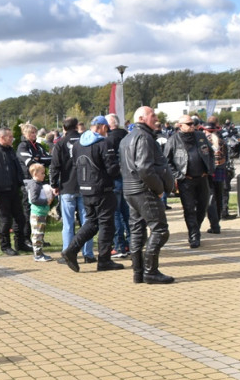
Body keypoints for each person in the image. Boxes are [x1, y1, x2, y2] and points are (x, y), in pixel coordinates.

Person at [119, 106, 176, 284]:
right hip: (143, 190)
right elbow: (144, 167)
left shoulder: (127, 138)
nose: (156, 118)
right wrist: (159, 188)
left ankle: (139, 272)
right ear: (142, 118)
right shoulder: (143, 137)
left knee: (137, 231)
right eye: (152, 115)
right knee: (160, 230)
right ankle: (150, 271)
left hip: (130, 189)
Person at [61, 116, 124, 273]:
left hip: (85, 190)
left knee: (92, 223)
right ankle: (104, 260)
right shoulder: (103, 143)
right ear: (102, 127)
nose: (108, 131)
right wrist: (121, 168)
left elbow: (76, 165)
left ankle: (71, 249)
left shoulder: (77, 145)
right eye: (106, 128)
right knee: (106, 225)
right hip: (103, 190)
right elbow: (111, 169)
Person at [164, 115, 214, 248]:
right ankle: (194, 235)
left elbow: (210, 153)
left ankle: (195, 229)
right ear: (180, 126)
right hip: (186, 180)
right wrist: (179, 175)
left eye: (193, 123)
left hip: (202, 178)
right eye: (189, 124)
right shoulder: (173, 140)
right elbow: (167, 161)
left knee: (203, 207)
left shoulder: (200, 136)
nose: (192, 126)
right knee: (189, 209)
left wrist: (209, 169)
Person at [50, 117, 95, 263]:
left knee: (68, 223)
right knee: (86, 221)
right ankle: (88, 253)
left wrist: (54, 184)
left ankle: (68, 252)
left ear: (64, 128)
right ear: (76, 126)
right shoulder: (85, 141)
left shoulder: (60, 143)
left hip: (67, 186)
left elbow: (55, 166)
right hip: (85, 185)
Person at [0, 128, 31, 256]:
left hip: (14, 190)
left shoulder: (11, 151)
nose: (12, 139)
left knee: (20, 218)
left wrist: (22, 183)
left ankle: (20, 243)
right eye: (10, 137)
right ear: (2, 138)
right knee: (5, 220)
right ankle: (5, 246)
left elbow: (18, 169)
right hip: (1, 192)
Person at [106, 113, 131, 258]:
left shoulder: (110, 139)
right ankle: (131, 243)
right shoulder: (127, 136)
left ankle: (119, 246)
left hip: (115, 179)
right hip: (127, 177)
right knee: (126, 213)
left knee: (115, 213)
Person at [23, 163, 55, 262]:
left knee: (40, 233)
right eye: (42, 173)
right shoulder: (34, 185)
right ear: (35, 174)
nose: (44, 175)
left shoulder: (38, 184)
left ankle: (40, 252)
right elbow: (33, 199)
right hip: (37, 214)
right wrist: (46, 201)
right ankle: (37, 255)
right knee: (37, 234)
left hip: (42, 213)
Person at [203, 118, 226, 234]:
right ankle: (218, 220)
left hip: (209, 172)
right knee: (219, 196)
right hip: (220, 170)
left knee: (211, 197)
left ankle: (214, 223)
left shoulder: (205, 142)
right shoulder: (221, 141)